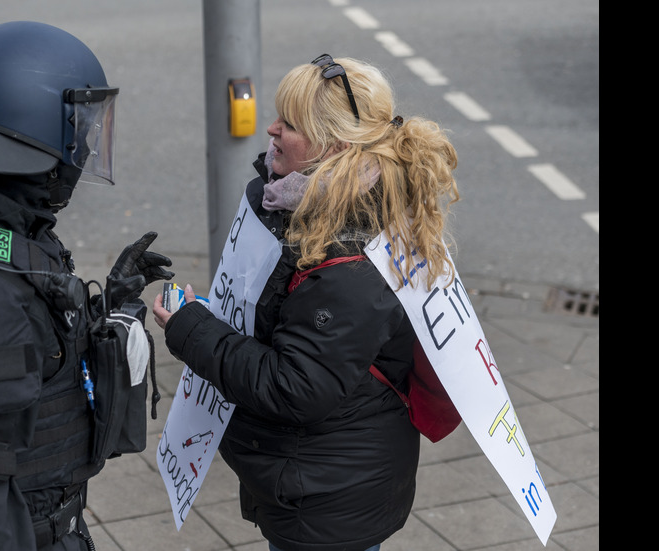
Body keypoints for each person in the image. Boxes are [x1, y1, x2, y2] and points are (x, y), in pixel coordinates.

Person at [153, 54, 460, 551]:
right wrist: (217, 312)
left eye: (290, 124)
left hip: (327, 498)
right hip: (319, 476)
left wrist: (192, 330)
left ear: (334, 146)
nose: (271, 129)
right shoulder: (308, 207)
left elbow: (296, 386)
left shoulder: (349, 261)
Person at [0, 21, 173, 551]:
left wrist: (106, 312)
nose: (87, 145)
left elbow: (39, 374)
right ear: (30, 127)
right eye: (81, 127)